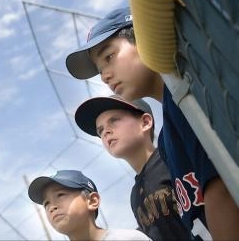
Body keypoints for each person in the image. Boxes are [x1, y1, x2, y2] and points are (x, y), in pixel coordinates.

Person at [66, 7, 239, 239]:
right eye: (100, 70)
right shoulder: (169, 132)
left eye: (109, 57)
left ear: (144, 39)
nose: (105, 75)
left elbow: (220, 191)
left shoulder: (188, 93)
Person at [75, 94, 194, 240]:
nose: (106, 132)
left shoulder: (172, 159)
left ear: (145, 122)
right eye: (100, 130)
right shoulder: (135, 195)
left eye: (114, 120)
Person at [28, 170, 151, 240]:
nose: (52, 207)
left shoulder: (128, 239)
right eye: (46, 204)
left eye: (60, 195)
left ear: (92, 201)